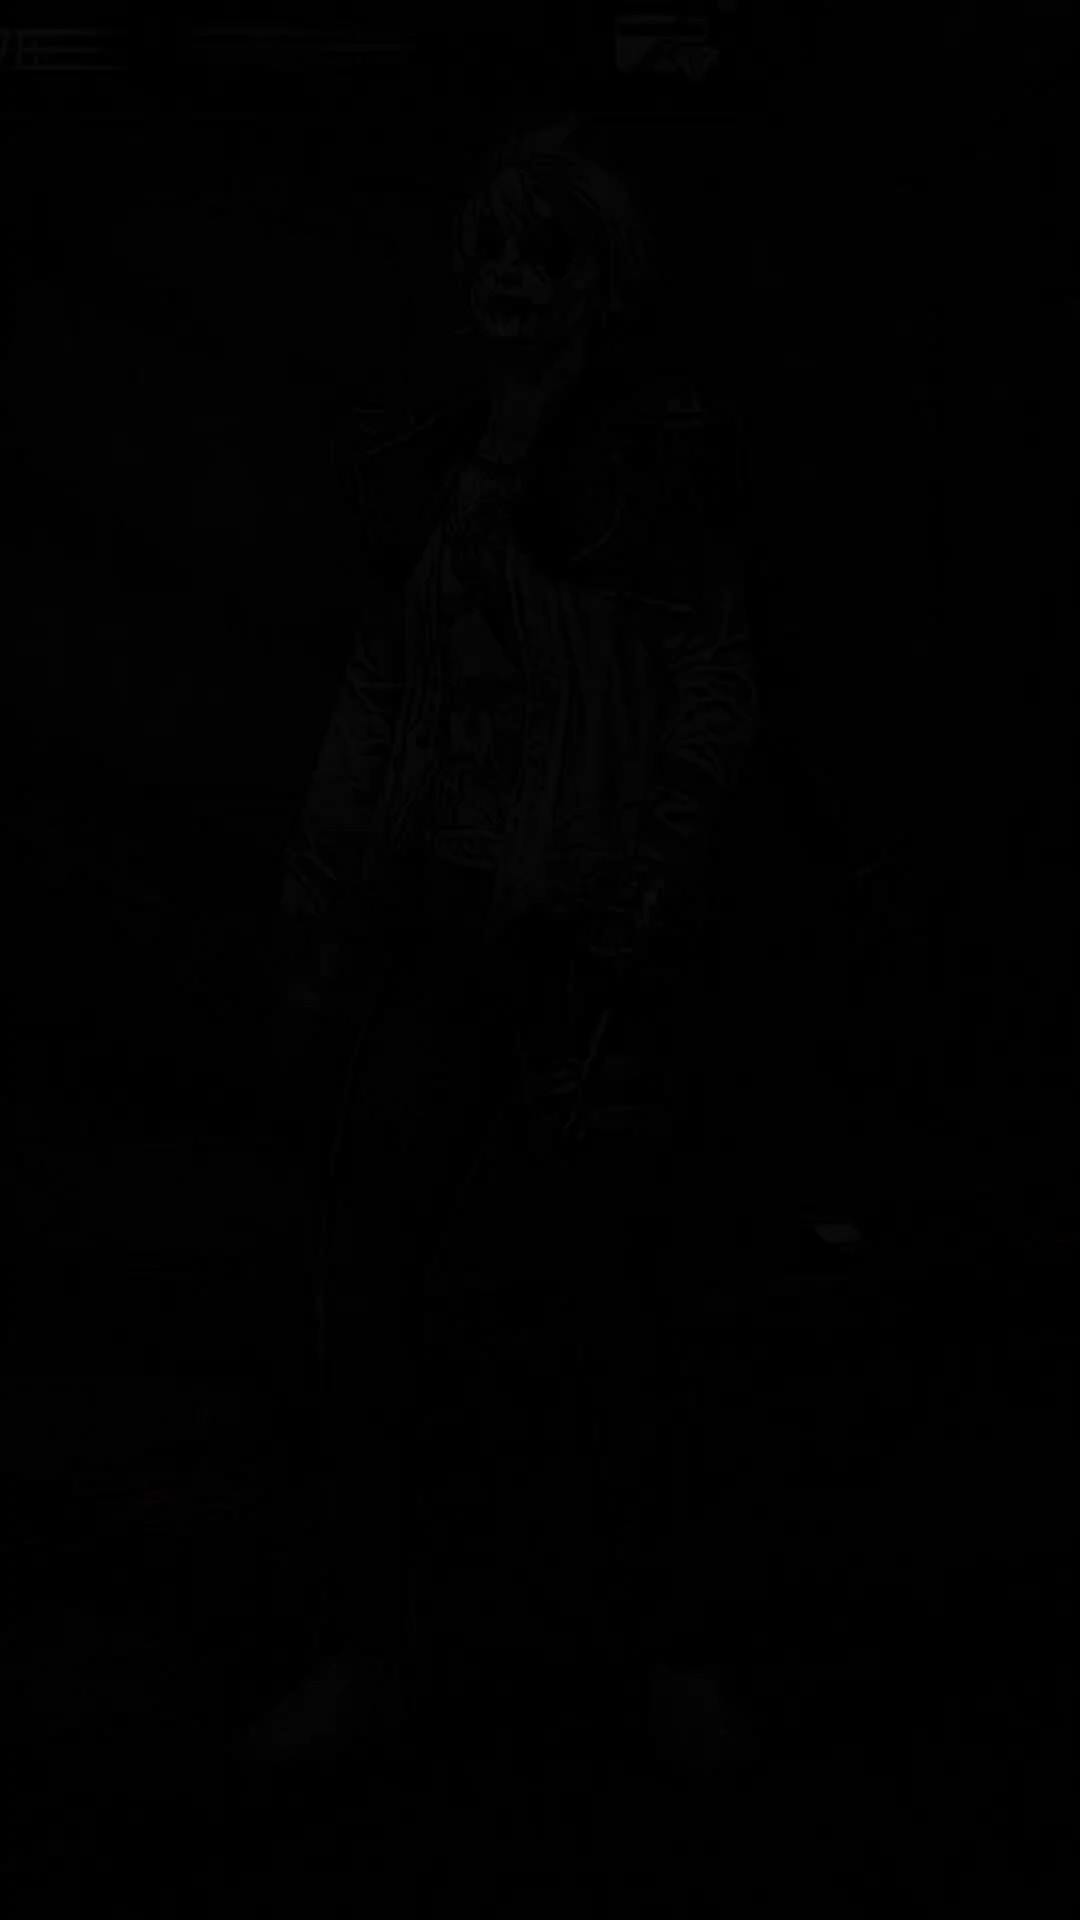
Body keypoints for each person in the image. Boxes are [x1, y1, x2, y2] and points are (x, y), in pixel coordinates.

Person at [236, 112, 759, 1782]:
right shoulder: (438, 472)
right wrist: (324, 898)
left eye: (547, 253)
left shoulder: (652, 472)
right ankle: (380, 1646)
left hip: (589, 941)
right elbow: (386, 691)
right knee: (371, 1277)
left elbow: (704, 690)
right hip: (443, 922)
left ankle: (652, 1652)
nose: (510, 281)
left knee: (612, 1292)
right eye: (492, 251)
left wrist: (649, 883)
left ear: (600, 280)